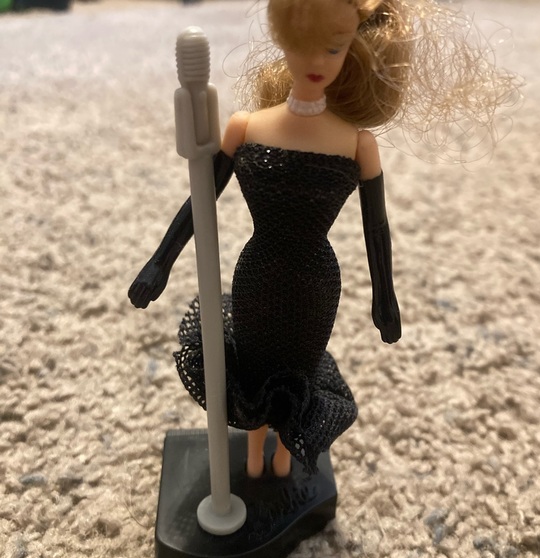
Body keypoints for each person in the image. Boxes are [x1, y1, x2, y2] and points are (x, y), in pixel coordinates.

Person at [129, 0, 519, 478]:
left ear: (351, 49)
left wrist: (385, 297)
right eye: (303, 46)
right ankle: (253, 457)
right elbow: (201, 198)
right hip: (258, 273)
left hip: (315, 283)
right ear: (282, 41)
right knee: (252, 370)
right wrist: (160, 263)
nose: (316, 62)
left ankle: (284, 461)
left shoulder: (357, 143)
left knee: (299, 374)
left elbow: (376, 228)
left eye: (333, 49)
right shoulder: (245, 127)